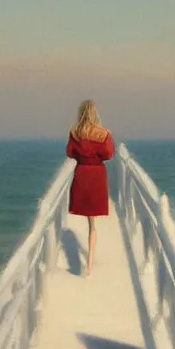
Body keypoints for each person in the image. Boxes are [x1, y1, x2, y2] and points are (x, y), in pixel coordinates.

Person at [66, 100, 115, 276]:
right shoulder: (104, 134)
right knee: (93, 225)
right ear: (95, 113)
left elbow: (70, 152)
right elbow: (109, 154)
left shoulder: (75, 133)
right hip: (97, 176)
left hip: (82, 174)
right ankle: (89, 265)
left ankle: (88, 264)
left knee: (89, 221)